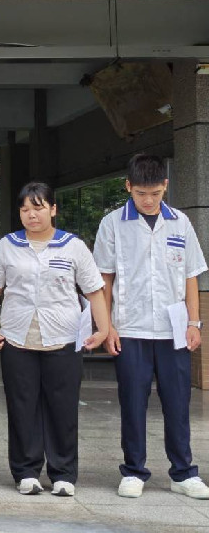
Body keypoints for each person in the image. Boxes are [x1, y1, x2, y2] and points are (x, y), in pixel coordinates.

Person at [0, 181, 109, 497]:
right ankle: (26, 472)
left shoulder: (73, 246)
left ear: (53, 209)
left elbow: (94, 290)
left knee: (62, 408)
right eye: (25, 209)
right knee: (22, 407)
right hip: (17, 338)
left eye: (38, 208)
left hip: (63, 338)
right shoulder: (6, 246)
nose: (31, 215)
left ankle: (63, 473)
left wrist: (103, 328)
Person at [93, 153, 209, 500]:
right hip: (130, 328)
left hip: (174, 330)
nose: (148, 200)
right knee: (133, 403)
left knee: (178, 402)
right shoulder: (113, 224)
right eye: (141, 193)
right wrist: (107, 326)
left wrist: (194, 323)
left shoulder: (180, 223)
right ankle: (133, 471)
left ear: (165, 187)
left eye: (155, 193)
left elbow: (190, 277)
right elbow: (104, 279)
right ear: (128, 186)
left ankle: (183, 473)